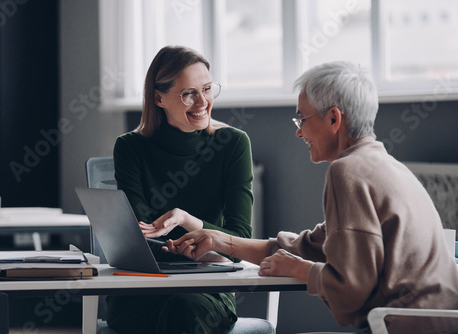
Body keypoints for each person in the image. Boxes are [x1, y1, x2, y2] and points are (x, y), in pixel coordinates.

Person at [165, 61, 458, 333]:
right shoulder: (383, 165)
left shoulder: (348, 171)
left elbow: (351, 291)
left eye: (301, 119)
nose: (298, 132)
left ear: (333, 118)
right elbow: (310, 246)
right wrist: (219, 240)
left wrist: (300, 270)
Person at [107, 45, 254, 334]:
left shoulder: (234, 144)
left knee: (182, 309)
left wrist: (188, 221)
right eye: (189, 93)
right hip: (143, 287)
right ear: (159, 98)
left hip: (207, 290)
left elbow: (241, 243)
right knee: (167, 309)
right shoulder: (130, 147)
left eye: (207, 89)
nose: (203, 102)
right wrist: (208, 248)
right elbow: (138, 238)